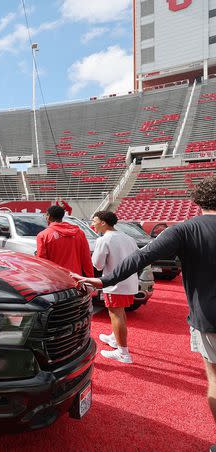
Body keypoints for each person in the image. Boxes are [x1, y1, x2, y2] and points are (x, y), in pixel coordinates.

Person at [76, 177, 216, 438]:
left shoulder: (185, 229)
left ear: (197, 202)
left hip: (209, 318)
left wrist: (103, 280)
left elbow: (142, 257)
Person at [90, 211, 138, 364]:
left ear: (103, 222)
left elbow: (97, 264)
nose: (93, 223)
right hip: (129, 281)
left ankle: (123, 352)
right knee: (120, 312)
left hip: (115, 283)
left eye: (95, 220)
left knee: (116, 314)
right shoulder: (129, 238)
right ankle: (114, 337)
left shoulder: (104, 240)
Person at [36, 205, 94, 277]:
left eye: (46, 215)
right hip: (76, 278)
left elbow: (42, 261)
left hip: (55, 279)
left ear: (49, 216)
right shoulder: (79, 233)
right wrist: (91, 278)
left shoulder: (43, 235)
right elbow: (86, 258)